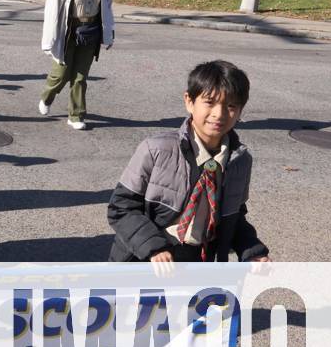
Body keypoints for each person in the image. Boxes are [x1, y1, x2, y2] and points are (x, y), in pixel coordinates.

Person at [107, 60, 271, 265]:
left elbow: (234, 218)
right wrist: (153, 247)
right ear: (189, 101)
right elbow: (121, 208)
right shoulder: (156, 150)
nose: (218, 114)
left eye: (231, 105)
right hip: (145, 257)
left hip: (199, 260)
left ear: (240, 110)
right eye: (209, 102)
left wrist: (252, 250)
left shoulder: (240, 161)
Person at [38, 0, 114, 131]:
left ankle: (76, 115)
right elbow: (53, 9)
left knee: (80, 77)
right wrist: (48, 41)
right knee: (61, 74)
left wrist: (108, 33)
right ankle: (47, 96)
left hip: (91, 30)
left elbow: (106, 5)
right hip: (69, 30)